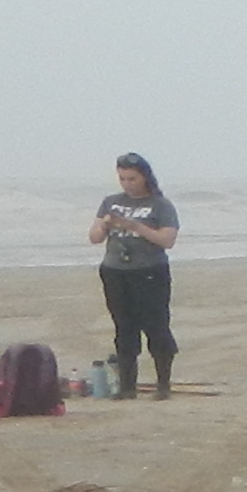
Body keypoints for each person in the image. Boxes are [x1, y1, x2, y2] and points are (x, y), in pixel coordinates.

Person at [87, 152, 180, 398]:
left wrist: (135, 226)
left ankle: (163, 384)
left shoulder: (161, 205)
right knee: (124, 327)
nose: (127, 184)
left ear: (144, 177)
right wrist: (106, 224)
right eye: (122, 178)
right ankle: (127, 386)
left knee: (156, 326)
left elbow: (167, 240)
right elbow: (94, 238)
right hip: (115, 271)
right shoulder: (110, 201)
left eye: (132, 178)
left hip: (149, 271)